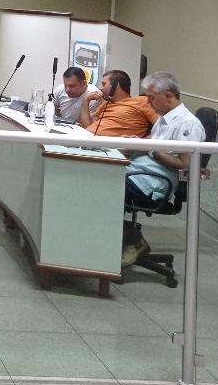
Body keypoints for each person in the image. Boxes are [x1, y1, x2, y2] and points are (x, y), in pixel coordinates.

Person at [121, 71, 207, 265]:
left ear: (168, 95)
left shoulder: (188, 124)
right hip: (137, 173)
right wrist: (137, 142)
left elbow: (185, 165)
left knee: (101, 185)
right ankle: (130, 238)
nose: (148, 102)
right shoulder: (164, 117)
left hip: (151, 184)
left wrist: (151, 149)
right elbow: (155, 141)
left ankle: (133, 240)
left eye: (152, 98)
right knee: (99, 174)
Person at [79, 69, 158, 137]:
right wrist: (86, 100)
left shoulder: (142, 101)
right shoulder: (105, 105)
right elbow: (87, 126)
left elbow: (162, 128)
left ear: (116, 86)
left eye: (104, 84)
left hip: (112, 147)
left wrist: (141, 142)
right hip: (88, 141)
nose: (101, 88)